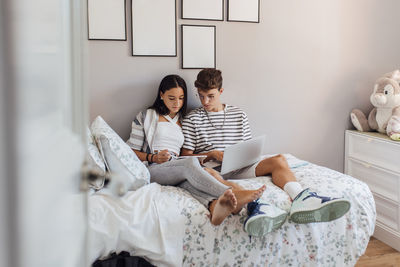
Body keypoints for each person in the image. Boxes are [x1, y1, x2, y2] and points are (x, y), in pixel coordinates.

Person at [181, 68, 351, 236]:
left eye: (211, 96)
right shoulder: (192, 118)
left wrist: (244, 157)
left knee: (279, 159)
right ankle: (256, 205)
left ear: (221, 91)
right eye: (201, 95)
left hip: (240, 166)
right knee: (210, 173)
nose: (205, 101)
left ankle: (302, 198)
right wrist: (211, 154)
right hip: (213, 169)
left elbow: (247, 146)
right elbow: (185, 157)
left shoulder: (239, 114)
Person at [126, 74, 265, 226]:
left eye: (181, 98)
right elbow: (130, 151)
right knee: (189, 163)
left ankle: (216, 208)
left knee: (191, 183)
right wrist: (153, 158)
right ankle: (231, 192)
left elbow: (184, 153)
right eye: (171, 98)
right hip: (154, 168)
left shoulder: (182, 119)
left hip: (175, 169)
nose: (177, 103)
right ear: (161, 95)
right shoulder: (146, 116)